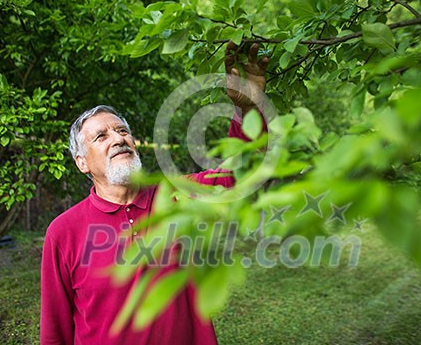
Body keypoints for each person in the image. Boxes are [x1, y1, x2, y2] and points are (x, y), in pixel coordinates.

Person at [40, 41, 269, 344]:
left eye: (122, 131)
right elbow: (54, 331)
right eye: (101, 136)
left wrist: (249, 107)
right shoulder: (63, 232)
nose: (118, 139)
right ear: (82, 162)